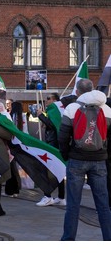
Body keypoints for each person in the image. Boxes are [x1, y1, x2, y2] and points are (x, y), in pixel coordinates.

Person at [59, 78, 111, 241]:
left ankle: (68, 240)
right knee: (103, 205)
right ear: (93, 89)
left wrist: (66, 154)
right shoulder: (107, 109)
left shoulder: (72, 108)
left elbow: (63, 137)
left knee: (73, 205)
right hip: (100, 160)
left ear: (77, 91)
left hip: (77, 159)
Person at [36, 92, 66, 207]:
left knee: (48, 171)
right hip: (55, 143)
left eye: (48, 98)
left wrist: (40, 115)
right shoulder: (58, 110)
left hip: (52, 144)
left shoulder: (54, 109)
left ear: (54, 100)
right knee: (58, 171)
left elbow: (52, 125)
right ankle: (61, 197)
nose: (46, 101)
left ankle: (48, 196)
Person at [3, 101, 23, 197]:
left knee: (11, 168)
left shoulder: (11, 116)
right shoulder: (22, 117)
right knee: (14, 168)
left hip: (11, 144)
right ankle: (16, 189)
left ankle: (11, 190)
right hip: (19, 144)